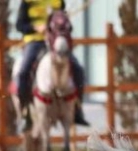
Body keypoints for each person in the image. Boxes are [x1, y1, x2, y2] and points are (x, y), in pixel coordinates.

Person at [15, 0, 89, 129]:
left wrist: (63, 25)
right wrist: (35, 28)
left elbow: (66, 24)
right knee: (23, 72)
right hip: (35, 42)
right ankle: (25, 113)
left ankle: (77, 109)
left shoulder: (58, 1)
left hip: (55, 43)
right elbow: (19, 25)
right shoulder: (27, 1)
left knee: (78, 69)